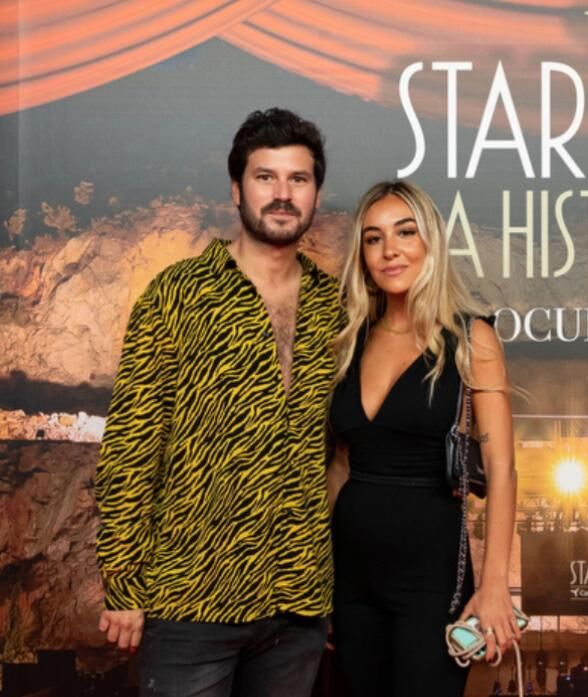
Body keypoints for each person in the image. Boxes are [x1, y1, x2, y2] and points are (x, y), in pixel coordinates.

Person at [95, 108, 345, 697]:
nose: (282, 195)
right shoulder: (176, 295)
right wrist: (125, 587)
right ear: (237, 189)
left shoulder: (336, 309)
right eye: (266, 177)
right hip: (191, 600)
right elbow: (131, 446)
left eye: (298, 179)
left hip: (298, 603)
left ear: (315, 194)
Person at [327, 180, 520, 697]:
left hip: (431, 579)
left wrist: (496, 584)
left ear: (430, 241)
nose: (390, 250)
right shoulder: (348, 339)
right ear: (362, 254)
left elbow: (501, 470)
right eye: (373, 238)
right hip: (348, 577)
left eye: (405, 232)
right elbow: (339, 467)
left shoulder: (471, 338)